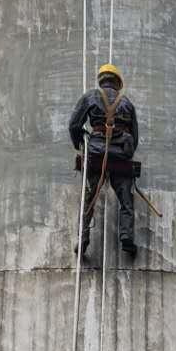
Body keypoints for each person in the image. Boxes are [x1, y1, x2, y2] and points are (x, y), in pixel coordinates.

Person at [68, 63, 140, 261]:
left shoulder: (91, 97)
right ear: (118, 83)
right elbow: (134, 135)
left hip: (96, 154)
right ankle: (126, 237)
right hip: (121, 156)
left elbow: (74, 124)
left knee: (89, 198)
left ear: (101, 80)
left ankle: (83, 239)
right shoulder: (127, 103)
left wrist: (79, 141)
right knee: (126, 200)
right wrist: (126, 151)